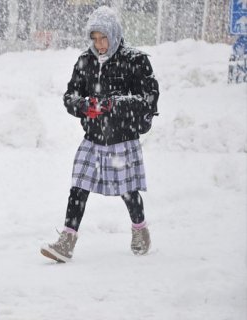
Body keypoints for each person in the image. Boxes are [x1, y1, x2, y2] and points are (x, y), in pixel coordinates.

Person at [41, 6, 159, 262]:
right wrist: (84, 105)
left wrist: (115, 103)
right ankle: (67, 241)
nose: (99, 44)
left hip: (123, 137)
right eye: (94, 38)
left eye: (103, 38)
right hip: (94, 137)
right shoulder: (85, 61)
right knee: (78, 187)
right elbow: (70, 96)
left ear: (115, 35)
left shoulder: (135, 60)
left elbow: (148, 98)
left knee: (128, 191)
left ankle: (140, 230)